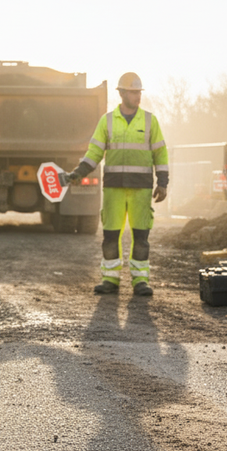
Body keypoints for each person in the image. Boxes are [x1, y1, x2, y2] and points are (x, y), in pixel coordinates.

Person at [66, 72, 169, 296]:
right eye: (133, 92)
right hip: (113, 189)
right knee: (111, 236)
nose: (137, 96)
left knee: (141, 237)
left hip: (141, 189)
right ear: (121, 94)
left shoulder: (150, 120)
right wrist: (78, 172)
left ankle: (140, 280)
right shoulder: (107, 121)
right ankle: (110, 279)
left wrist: (163, 182)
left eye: (138, 92)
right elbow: (94, 153)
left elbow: (160, 153)